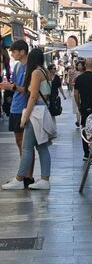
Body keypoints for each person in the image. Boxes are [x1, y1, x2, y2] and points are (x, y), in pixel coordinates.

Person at [3, 48, 53, 189]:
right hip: (43, 110)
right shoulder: (45, 71)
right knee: (42, 146)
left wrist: (25, 116)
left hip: (36, 111)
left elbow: (33, 96)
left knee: (26, 147)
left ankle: (19, 179)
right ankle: (44, 179)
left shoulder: (36, 72)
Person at [0, 40, 33, 186]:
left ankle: (27, 176)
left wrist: (11, 87)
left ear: (22, 52)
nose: (12, 54)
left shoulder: (30, 68)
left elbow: (28, 89)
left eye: (14, 51)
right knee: (19, 143)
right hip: (16, 107)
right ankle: (24, 172)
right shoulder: (18, 66)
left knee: (26, 144)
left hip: (23, 108)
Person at [69, 61, 85, 128]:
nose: (79, 67)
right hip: (76, 91)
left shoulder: (85, 74)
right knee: (76, 106)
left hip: (83, 92)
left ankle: (81, 120)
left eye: (80, 65)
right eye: (78, 65)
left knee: (82, 105)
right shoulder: (74, 74)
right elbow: (71, 83)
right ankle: (78, 121)